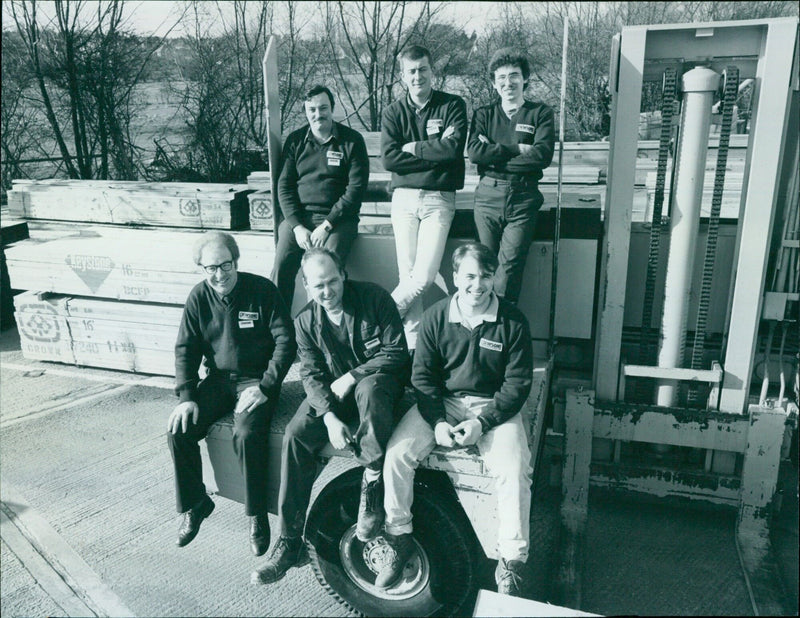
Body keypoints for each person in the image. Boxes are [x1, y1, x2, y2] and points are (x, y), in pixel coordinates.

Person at [378, 242, 534, 597]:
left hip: (492, 406)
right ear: (454, 277)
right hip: (443, 404)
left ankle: (511, 561)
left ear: (494, 277)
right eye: (469, 276)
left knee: (513, 468)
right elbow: (423, 378)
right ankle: (399, 536)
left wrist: (484, 422)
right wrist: (436, 423)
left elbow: (517, 384)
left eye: (485, 276)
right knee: (396, 456)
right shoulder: (436, 316)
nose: (477, 285)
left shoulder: (512, 321)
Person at [252, 248, 411, 585]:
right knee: (296, 435)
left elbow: (396, 351)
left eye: (332, 281)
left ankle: (371, 483)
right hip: (333, 397)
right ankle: (290, 540)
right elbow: (310, 375)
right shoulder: (305, 321)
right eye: (318, 286)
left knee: (370, 388)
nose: (327, 291)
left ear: (343, 275)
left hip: (376, 386)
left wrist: (353, 376)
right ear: (308, 288)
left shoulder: (375, 299)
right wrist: (328, 418)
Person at [167, 231, 296, 557]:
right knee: (178, 430)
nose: (219, 274)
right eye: (211, 268)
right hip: (218, 381)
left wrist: (267, 386)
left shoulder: (262, 291)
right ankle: (196, 503)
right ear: (201, 268)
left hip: (256, 380)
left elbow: (286, 341)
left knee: (246, 433)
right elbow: (185, 349)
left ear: (235, 261)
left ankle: (256, 515)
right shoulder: (198, 297)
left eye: (225, 265)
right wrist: (186, 397)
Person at [381, 45, 467, 349]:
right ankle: (412, 349)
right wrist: (433, 151)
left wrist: (413, 149)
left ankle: (377, 320)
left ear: (433, 71)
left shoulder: (453, 105)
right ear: (403, 76)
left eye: (423, 70)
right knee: (408, 277)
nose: (418, 76)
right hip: (403, 200)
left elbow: (452, 149)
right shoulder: (393, 112)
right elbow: (390, 160)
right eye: (412, 71)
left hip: (439, 199)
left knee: (423, 277)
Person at [467, 48, 555, 304]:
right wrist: (516, 149)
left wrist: (493, 153)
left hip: (523, 200)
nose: (508, 83)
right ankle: (479, 329)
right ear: (494, 83)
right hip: (487, 198)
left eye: (514, 75)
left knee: (507, 274)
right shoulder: (484, 114)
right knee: (481, 269)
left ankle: (500, 333)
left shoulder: (540, 113)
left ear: (525, 78)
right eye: (502, 77)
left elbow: (541, 157)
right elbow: (474, 154)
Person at [272, 85, 370, 310]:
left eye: (323, 108)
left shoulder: (351, 141)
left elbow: (355, 190)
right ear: (306, 112)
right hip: (299, 220)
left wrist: (327, 225)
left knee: (327, 270)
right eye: (312, 110)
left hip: (338, 221)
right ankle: (278, 329)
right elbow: (284, 187)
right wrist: (296, 226)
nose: (318, 114)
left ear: (332, 108)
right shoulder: (295, 141)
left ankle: (324, 325)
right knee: (280, 268)